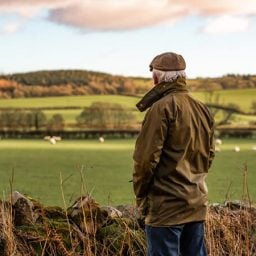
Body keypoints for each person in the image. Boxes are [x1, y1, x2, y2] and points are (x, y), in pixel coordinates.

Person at [132, 52, 215, 256]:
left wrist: (141, 197)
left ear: (156, 78)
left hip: (166, 209)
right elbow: (209, 156)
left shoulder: (160, 108)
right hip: (196, 204)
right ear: (182, 77)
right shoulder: (202, 109)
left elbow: (145, 161)